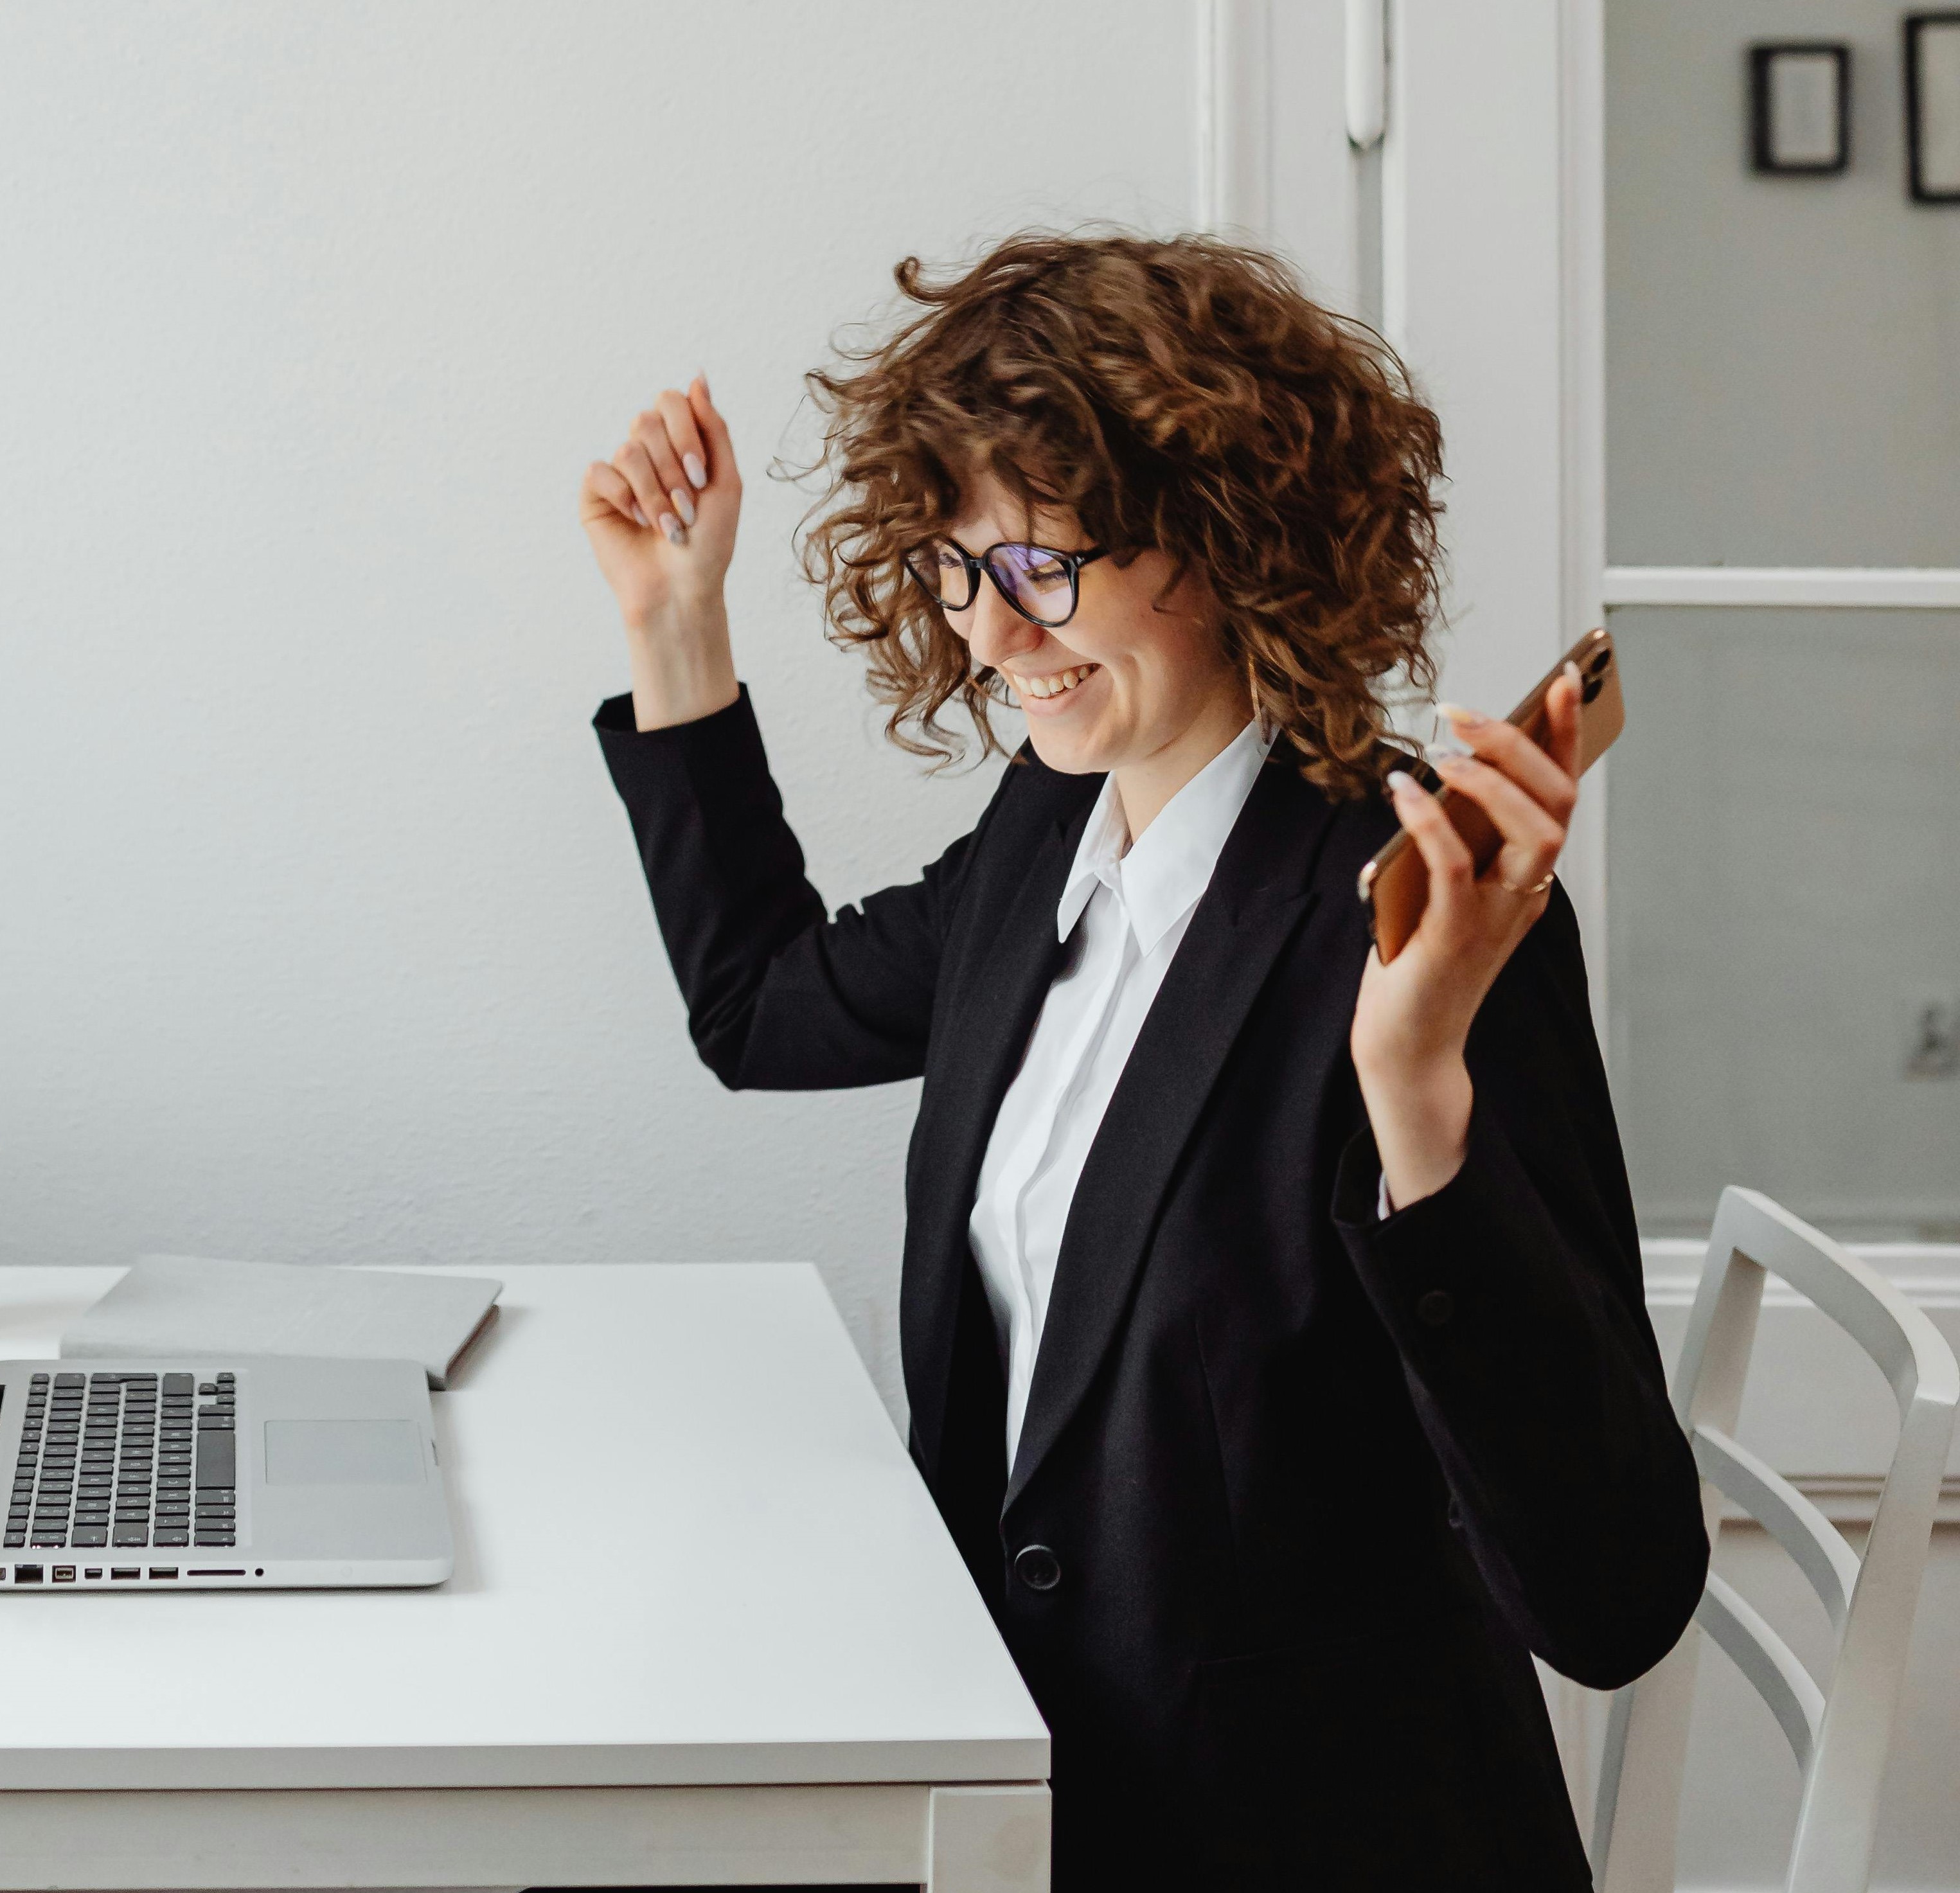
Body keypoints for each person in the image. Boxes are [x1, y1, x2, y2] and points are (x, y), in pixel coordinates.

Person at [576, 233, 1706, 1890]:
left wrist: (1414, 1092)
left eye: (1037, 566)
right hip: (1016, 1779)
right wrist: (678, 621)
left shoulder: (1427, 924)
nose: (988, 632)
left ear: (1226, 537)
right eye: (957, 570)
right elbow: (762, 1009)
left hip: (1302, 1839)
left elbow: (1610, 1597)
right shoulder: (1050, 830)